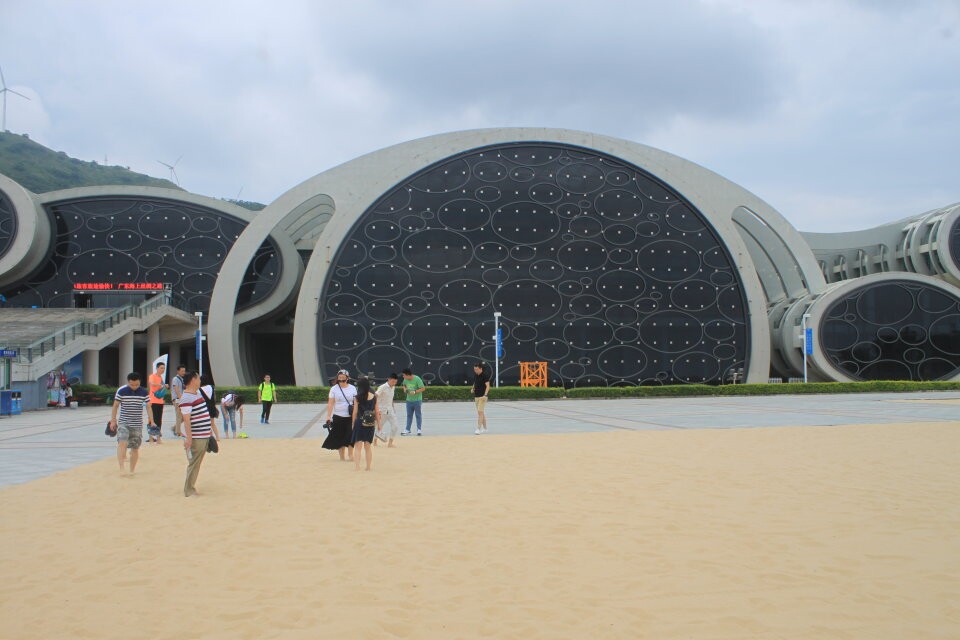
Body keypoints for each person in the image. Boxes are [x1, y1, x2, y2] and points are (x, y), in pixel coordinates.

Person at [179, 371, 220, 497]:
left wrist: (209, 432)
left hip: (204, 434)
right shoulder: (186, 397)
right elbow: (186, 420)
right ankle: (189, 490)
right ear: (193, 380)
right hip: (196, 436)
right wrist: (189, 438)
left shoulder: (197, 393)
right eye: (198, 379)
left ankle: (191, 487)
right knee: (194, 463)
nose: (200, 381)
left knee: (197, 463)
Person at [108, 372, 154, 475]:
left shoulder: (144, 392)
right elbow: (115, 406)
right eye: (132, 384)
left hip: (137, 424)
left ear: (140, 382)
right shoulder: (122, 391)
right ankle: (122, 468)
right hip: (124, 422)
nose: (134, 387)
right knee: (122, 442)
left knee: (135, 448)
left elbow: (148, 407)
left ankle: (132, 470)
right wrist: (113, 420)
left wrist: (152, 420)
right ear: (128, 382)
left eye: (136, 384)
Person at [323, 370, 356, 460]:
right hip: (338, 416)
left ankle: (350, 455)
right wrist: (328, 416)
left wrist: (356, 415)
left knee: (350, 435)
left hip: (350, 416)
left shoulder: (353, 388)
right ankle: (342, 457)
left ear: (347, 378)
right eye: (339, 378)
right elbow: (330, 403)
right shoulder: (334, 389)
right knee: (339, 436)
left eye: (343, 378)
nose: (341, 380)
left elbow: (356, 403)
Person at [351, 376, 381, 471]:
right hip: (370, 424)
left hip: (359, 423)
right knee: (368, 447)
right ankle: (368, 467)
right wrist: (379, 424)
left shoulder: (357, 398)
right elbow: (377, 412)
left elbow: (355, 412)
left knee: (358, 447)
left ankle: (357, 467)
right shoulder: (374, 397)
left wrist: (353, 423)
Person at [375, 373, 399, 447]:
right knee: (379, 426)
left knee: (395, 426)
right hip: (382, 410)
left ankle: (390, 443)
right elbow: (375, 396)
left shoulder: (393, 387)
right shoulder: (382, 387)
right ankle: (375, 441)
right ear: (389, 379)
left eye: (395, 382)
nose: (394, 383)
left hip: (390, 410)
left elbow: (391, 398)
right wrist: (375, 408)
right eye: (393, 381)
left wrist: (393, 408)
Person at [147, 362, 168, 444]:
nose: (163, 369)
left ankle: (158, 438)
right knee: (152, 419)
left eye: (164, 368)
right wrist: (160, 385)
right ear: (157, 368)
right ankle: (151, 438)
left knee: (159, 420)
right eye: (161, 368)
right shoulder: (152, 376)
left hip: (160, 401)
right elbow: (151, 383)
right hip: (153, 401)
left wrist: (165, 386)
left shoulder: (161, 377)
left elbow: (162, 387)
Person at [401, 368, 425, 436]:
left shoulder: (417, 379)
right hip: (409, 400)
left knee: (418, 415)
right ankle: (407, 430)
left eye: (404, 375)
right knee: (409, 415)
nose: (403, 376)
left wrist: (415, 392)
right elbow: (404, 385)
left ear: (408, 375)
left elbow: (423, 388)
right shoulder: (405, 379)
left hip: (417, 400)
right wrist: (405, 389)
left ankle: (419, 430)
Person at [472, 362, 491, 434]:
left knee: (480, 412)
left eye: (476, 369)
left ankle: (478, 429)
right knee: (481, 413)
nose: (475, 371)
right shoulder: (476, 375)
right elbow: (475, 383)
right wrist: (472, 388)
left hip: (482, 397)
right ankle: (485, 428)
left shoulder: (485, 376)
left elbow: (488, 386)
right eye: (474, 369)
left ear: (481, 369)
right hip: (476, 396)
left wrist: (485, 395)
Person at [171, 365, 186, 437]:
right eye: (182, 371)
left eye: (184, 371)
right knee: (179, 416)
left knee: (183, 417)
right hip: (177, 399)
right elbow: (176, 389)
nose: (183, 372)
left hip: (181, 399)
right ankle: (178, 432)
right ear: (178, 371)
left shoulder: (182, 379)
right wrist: (181, 398)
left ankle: (175, 428)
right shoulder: (175, 379)